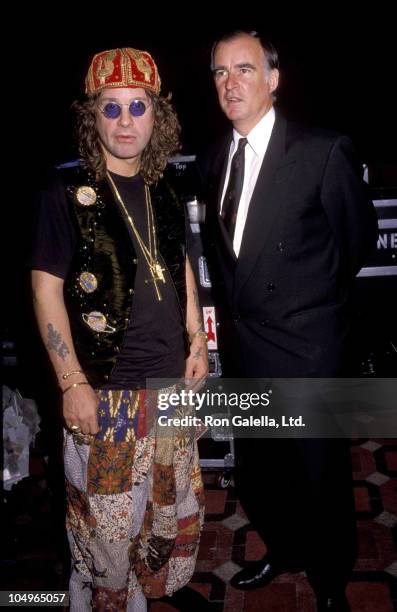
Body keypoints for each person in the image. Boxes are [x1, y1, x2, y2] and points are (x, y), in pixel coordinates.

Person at [199, 30, 378, 611]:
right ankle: (284, 548)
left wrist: (311, 309)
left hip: (308, 352)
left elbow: (357, 243)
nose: (232, 83)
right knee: (265, 471)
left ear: (273, 79)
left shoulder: (323, 150)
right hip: (247, 350)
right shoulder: (213, 157)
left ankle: (329, 582)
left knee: (320, 478)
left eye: (245, 69)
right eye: (221, 72)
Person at [30, 47, 208, 611]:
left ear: (157, 115)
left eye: (138, 106)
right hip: (107, 394)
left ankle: (143, 597)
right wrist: (71, 382)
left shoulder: (164, 191)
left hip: (169, 388)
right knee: (106, 537)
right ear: (93, 118)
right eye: (112, 109)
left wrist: (197, 336)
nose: (126, 121)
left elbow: (177, 263)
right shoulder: (65, 195)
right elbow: (45, 289)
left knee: (166, 517)